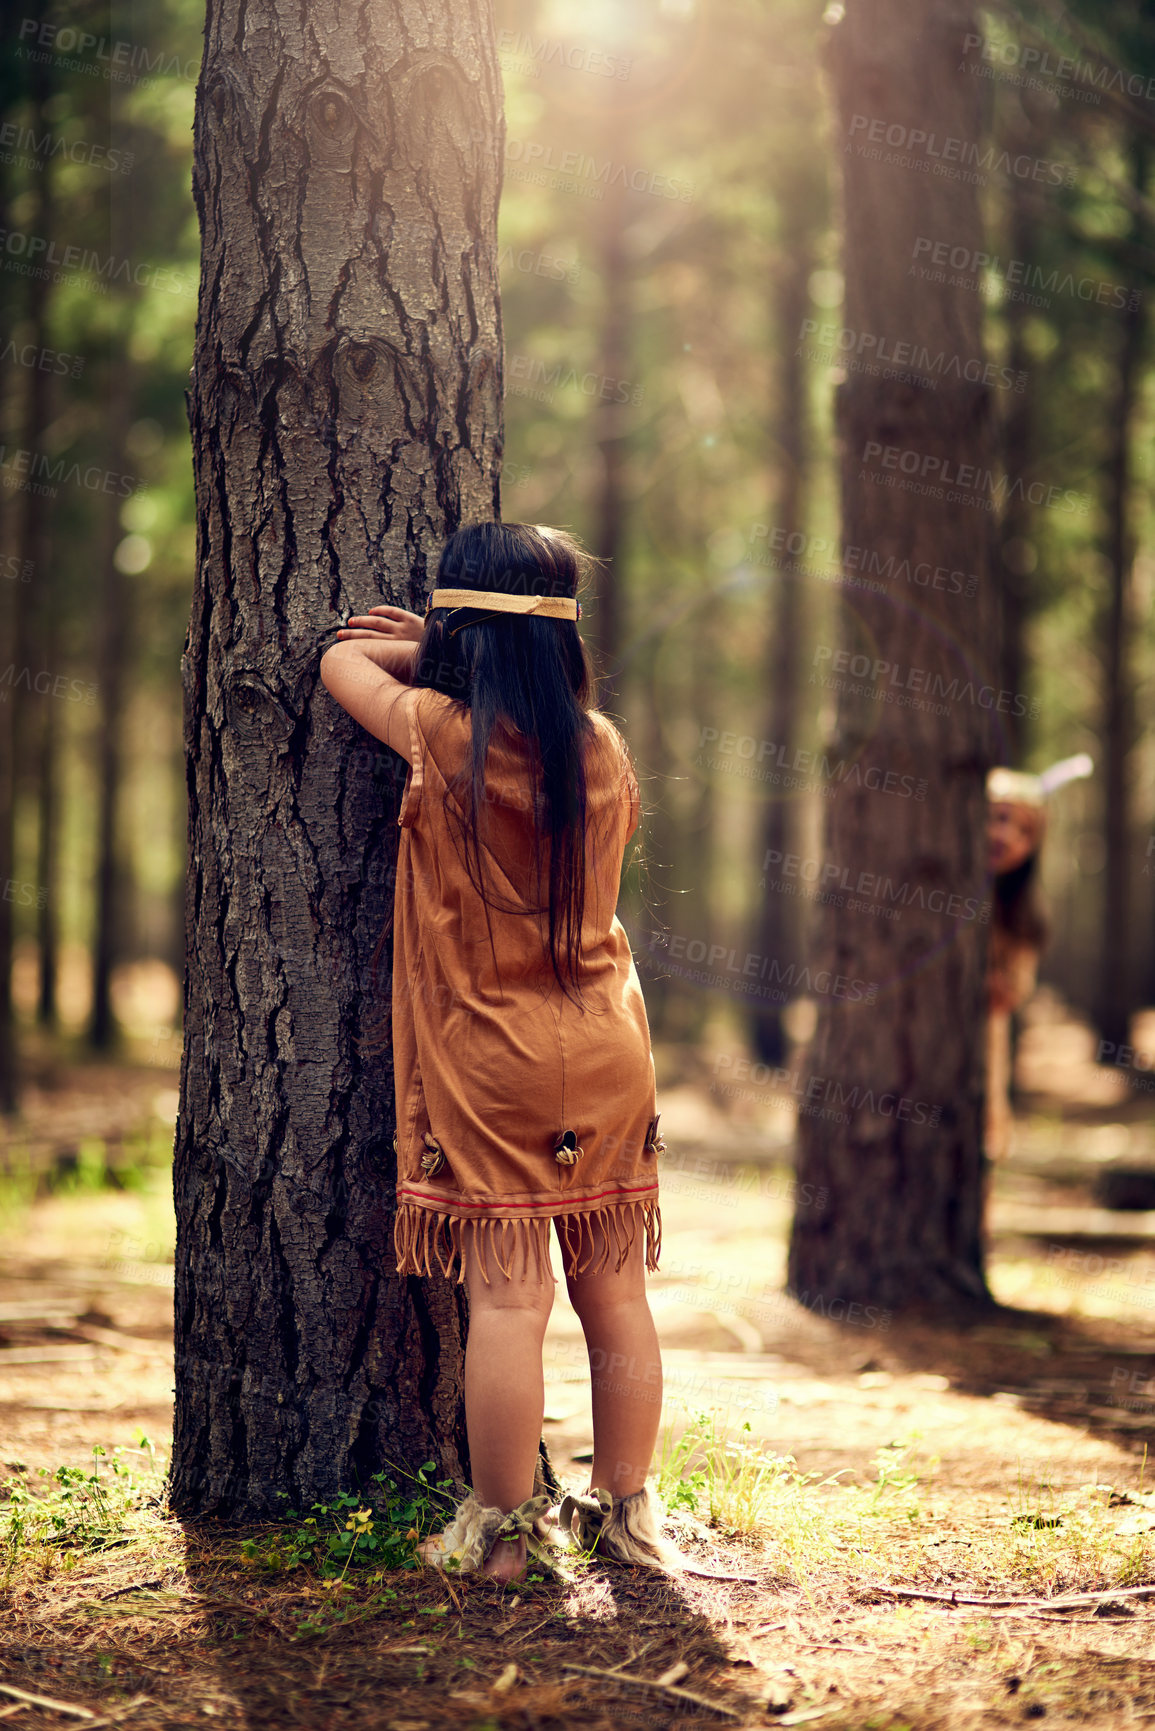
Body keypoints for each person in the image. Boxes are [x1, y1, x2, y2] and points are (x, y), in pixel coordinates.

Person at [319, 521, 670, 1584]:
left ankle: (505, 1538)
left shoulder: (441, 728)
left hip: (493, 1058)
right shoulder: (601, 745)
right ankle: (628, 1516)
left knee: (512, 1302)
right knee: (617, 1297)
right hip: (608, 1047)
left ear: (459, 631)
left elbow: (337, 659)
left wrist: (424, 646)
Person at [984, 755, 1092, 1160]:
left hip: (983, 1046)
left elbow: (1016, 989)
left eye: (1025, 831)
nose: (1006, 835)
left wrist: (1001, 986)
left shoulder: (1022, 915)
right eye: (997, 817)